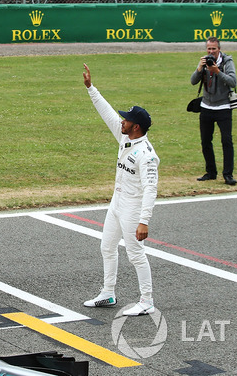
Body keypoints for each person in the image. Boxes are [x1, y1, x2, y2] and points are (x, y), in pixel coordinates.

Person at [81, 63, 160, 317]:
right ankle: (108, 293)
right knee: (107, 246)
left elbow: (151, 188)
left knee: (136, 254)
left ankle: (147, 300)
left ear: (136, 126)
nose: (122, 121)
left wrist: (143, 221)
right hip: (118, 200)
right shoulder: (126, 137)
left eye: (127, 119)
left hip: (133, 206)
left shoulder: (146, 155)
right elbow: (106, 113)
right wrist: (91, 88)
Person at [190, 37, 237, 186]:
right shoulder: (204, 62)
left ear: (219, 49)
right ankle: (211, 172)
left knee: (226, 141)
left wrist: (217, 71)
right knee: (205, 141)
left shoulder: (227, 62)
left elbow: (233, 82)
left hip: (223, 107)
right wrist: (199, 68)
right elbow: (193, 81)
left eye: (214, 49)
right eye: (209, 49)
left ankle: (228, 174)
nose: (211, 52)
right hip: (206, 106)